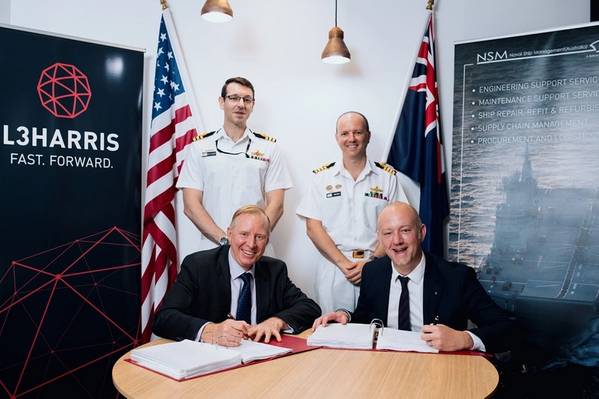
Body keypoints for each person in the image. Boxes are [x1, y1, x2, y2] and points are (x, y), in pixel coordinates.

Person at [313, 202, 514, 353]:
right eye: (388, 233)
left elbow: (505, 328)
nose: (397, 241)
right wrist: (345, 317)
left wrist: (465, 339)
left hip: (439, 371)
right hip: (385, 369)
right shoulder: (373, 272)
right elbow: (368, 318)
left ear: (421, 233)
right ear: (380, 239)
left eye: (405, 231)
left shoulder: (457, 277)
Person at [153, 205, 321, 346]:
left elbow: (309, 308)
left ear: (267, 240)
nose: (251, 244)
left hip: (259, 361)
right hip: (211, 361)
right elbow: (164, 318)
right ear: (230, 234)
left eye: (260, 237)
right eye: (244, 234)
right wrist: (210, 329)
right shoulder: (198, 266)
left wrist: (277, 321)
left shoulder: (275, 270)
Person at [296, 111, 408, 313]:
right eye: (345, 133)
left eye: (357, 132)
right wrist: (343, 263)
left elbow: (399, 225)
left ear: (368, 136)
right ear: (337, 137)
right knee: (332, 332)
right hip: (334, 268)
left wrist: (370, 264)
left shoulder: (387, 178)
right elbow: (313, 227)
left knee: (378, 331)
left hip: (378, 265)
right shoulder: (322, 178)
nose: (352, 139)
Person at [177, 77, 292, 250]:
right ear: (221, 102)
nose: (241, 104)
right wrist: (226, 240)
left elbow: (276, 205)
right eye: (234, 98)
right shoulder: (199, 147)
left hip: (254, 250)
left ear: (252, 105)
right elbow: (191, 205)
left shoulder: (269, 148)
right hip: (212, 248)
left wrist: (251, 241)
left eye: (247, 99)